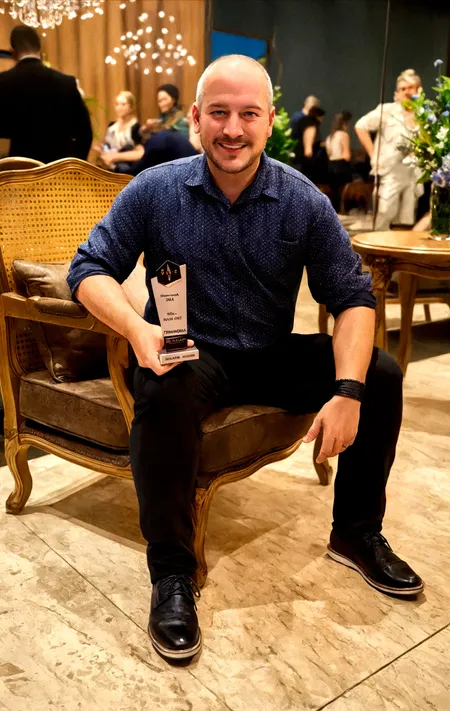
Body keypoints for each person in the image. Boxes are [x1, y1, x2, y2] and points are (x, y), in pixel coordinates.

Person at [68, 54, 423, 663]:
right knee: (162, 388)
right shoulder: (155, 189)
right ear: (198, 119)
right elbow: (88, 267)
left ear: (267, 120)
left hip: (267, 351)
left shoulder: (301, 199)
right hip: (189, 352)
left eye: (248, 114)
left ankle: (357, 533)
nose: (233, 129)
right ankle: (172, 575)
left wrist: (347, 391)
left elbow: (354, 298)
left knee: (381, 374)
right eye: (220, 113)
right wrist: (135, 328)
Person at [0, 26, 92, 164]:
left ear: (13, 52)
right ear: (40, 50)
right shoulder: (66, 82)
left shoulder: (3, 82)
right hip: (59, 174)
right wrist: (73, 168)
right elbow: (85, 134)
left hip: (19, 174)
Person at [355, 69, 423, 230]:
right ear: (397, 93)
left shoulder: (424, 115)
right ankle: (377, 251)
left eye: (410, 87)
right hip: (390, 171)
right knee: (385, 212)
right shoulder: (387, 110)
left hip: (412, 174)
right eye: (402, 89)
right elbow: (360, 126)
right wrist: (373, 155)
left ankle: (399, 253)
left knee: (406, 218)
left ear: (419, 89)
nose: (406, 92)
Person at [97, 91, 144, 173]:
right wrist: (104, 152)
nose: (119, 107)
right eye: (117, 104)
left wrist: (116, 156)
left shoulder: (135, 127)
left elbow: (140, 153)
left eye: (123, 104)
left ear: (131, 107)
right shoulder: (111, 127)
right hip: (111, 166)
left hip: (127, 169)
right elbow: (106, 146)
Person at [127, 128, 198, 175]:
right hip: (196, 168)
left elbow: (141, 168)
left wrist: (122, 173)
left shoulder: (155, 142)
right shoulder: (167, 135)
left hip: (189, 173)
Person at [326, 111, 353, 213]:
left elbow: (329, 153)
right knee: (343, 192)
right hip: (341, 166)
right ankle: (345, 210)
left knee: (334, 191)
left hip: (331, 166)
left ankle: (334, 211)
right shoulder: (343, 134)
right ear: (345, 123)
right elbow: (347, 155)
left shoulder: (330, 137)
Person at [297, 104, 328, 184]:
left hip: (301, 159)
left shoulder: (303, 122)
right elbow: (308, 147)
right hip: (309, 162)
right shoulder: (311, 126)